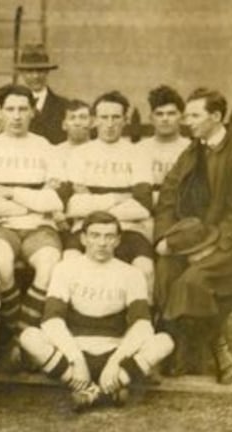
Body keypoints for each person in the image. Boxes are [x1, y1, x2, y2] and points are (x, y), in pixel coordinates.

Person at [154, 88, 232, 383]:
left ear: (216, 117)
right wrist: (166, 239)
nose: (186, 121)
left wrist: (210, 248)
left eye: (194, 115)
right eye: (187, 115)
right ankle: (175, 347)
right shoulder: (193, 151)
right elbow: (167, 195)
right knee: (165, 270)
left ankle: (216, 347)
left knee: (194, 281)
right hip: (192, 239)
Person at [20, 211, 174, 411]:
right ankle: (106, 387)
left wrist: (115, 361)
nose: (102, 243)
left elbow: (142, 325)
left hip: (114, 350)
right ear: (83, 239)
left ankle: (92, 389)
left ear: (118, 240)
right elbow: (51, 320)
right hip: (74, 354)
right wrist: (76, 358)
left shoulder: (131, 273)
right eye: (95, 235)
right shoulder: (66, 269)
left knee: (164, 341)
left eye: (109, 236)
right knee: (29, 337)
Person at [0, 84, 65, 339]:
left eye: (23, 109)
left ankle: (23, 333)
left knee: (50, 264)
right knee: (0, 263)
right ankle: (15, 332)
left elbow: (56, 201)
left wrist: (10, 193)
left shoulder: (46, 147)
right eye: (10, 109)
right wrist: (35, 201)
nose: (17, 115)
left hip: (40, 228)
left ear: (33, 112)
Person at [64, 91, 155, 293]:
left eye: (116, 117)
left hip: (130, 229)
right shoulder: (79, 155)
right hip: (86, 230)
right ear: (94, 121)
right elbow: (72, 206)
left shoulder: (139, 154)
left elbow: (143, 206)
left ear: (125, 120)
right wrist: (119, 197)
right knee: (69, 262)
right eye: (104, 117)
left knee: (145, 269)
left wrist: (92, 200)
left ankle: (144, 321)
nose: (110, 123)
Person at [138, 85, 191, 205]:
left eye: (171, 113)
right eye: (159, 114)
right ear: (151, 118)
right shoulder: (140, 149)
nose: (165, 119)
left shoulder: (190, 149)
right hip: (146, 208)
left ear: (181, 118)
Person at [15, 44, 69, 145]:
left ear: (47, 71)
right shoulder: (13, 107)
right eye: (30, 71)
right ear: (22, 73)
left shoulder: (64, 106)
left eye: (40, 70)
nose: (35, 76)